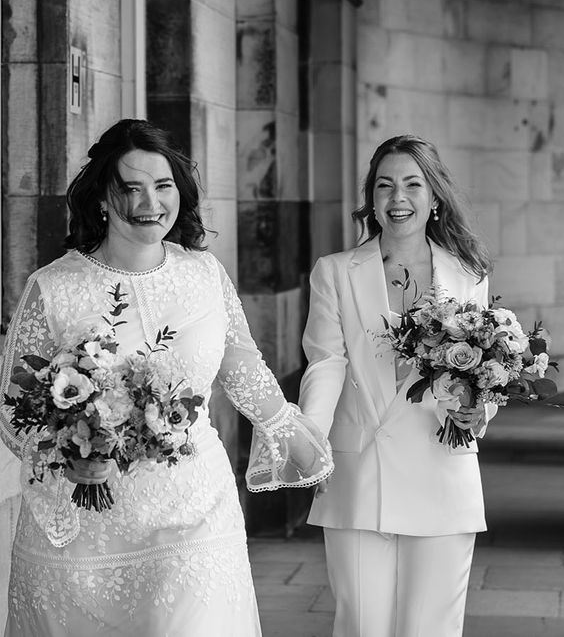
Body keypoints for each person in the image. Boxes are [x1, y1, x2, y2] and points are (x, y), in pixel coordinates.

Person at [0, 119, 333, 637]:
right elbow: (13, 403)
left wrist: (297, 439)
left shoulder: (204, 273)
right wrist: (70, 457)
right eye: (129, 188)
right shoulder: (54, 287)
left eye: (162, 185)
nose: (148, 202)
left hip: (196, 504)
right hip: (91, 518)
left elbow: (242, 365)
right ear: (103, 199)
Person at [299, 134, 494, 637]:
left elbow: (478, 369)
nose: (398, 198)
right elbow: (326, 363)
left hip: (440, 467)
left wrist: (480, 410)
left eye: (412, 184)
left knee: (431, 626)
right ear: (372, 198)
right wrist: (312, 439)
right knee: (362, 624)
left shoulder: (467, 273)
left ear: (434, 198)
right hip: (360, 468)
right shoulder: (335, 272)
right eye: (385, 186)